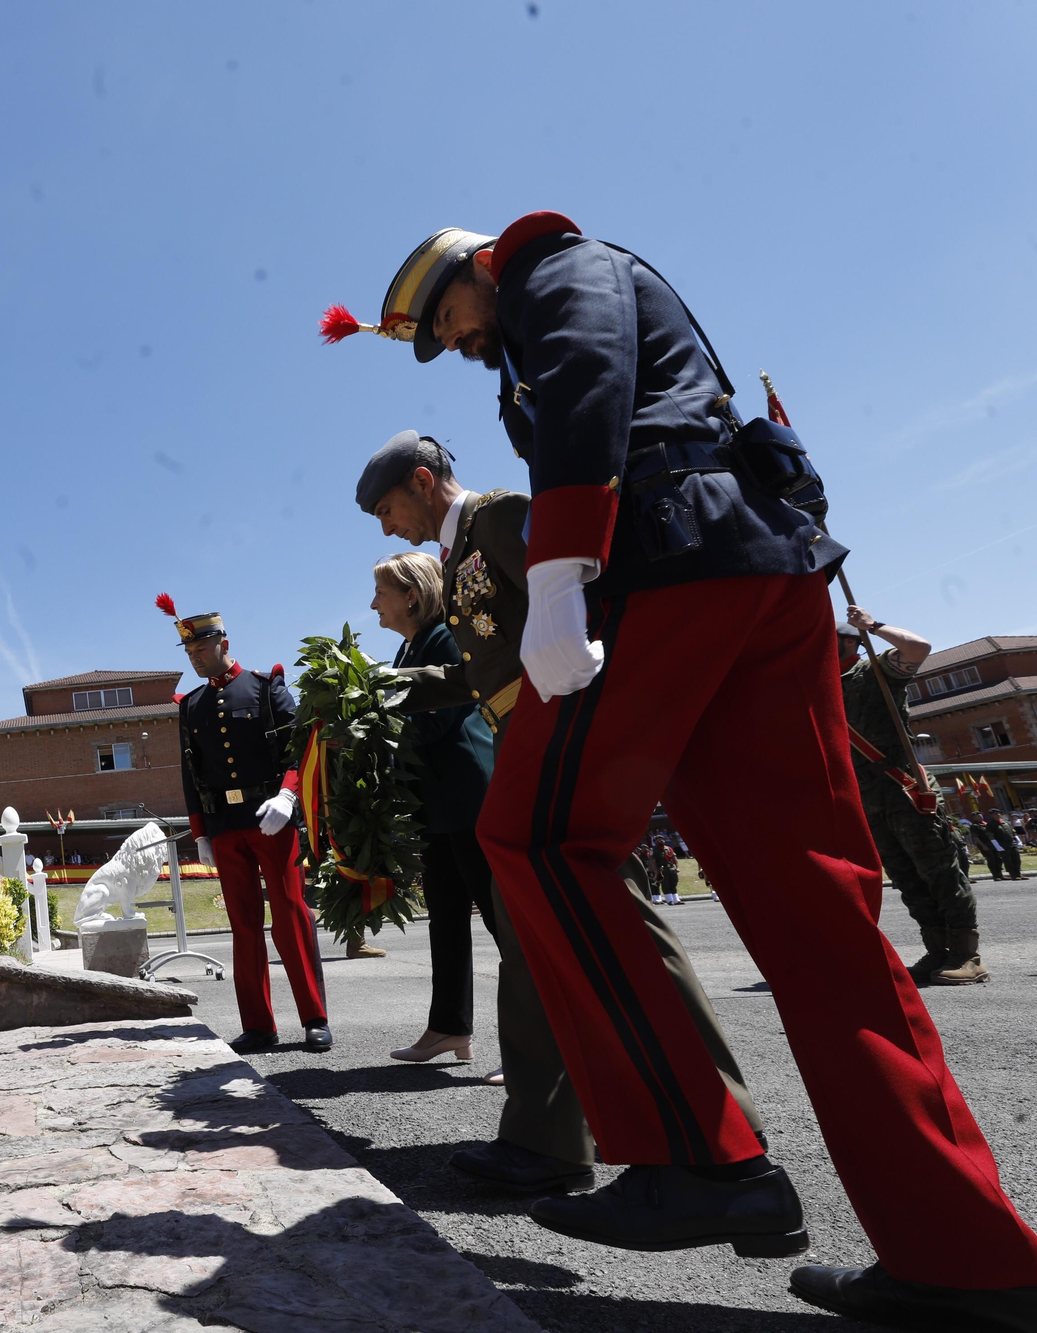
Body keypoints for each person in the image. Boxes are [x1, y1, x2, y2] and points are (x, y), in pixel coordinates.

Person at [367, 211, 1037, 1326]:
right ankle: (966, 1254)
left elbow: (586, 377)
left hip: (670, 564)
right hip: (752, 566)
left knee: (534, 835)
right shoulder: (545, 304)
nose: (461, 341)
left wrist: (562, 567)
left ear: (474, 268)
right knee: (812, 911)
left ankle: (701, 1159)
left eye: (448, 317)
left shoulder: (552, 266)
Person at [358, 429, 760, 1196]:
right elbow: (488, 669)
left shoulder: (502, 517)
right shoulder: (457, 552)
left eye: (386, 506)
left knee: (598, 920)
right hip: (525, 745)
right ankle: (545, 1135)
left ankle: (713, 1144)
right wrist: (390, 687)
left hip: (563, 741)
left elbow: (583, 619)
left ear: (421, 479)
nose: (386, 525)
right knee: (528, 937)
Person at [161, 594, 331, 1053]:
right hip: (225, 825)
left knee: (291, 918)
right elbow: (190, 772)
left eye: (202, 649)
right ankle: (258, 1024)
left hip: (270, 819)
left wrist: (289, 794)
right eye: (189, 653)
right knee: (244, 925)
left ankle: (314, 1017)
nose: (195, 658)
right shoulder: (190, 705)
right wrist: (200, 831)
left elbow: (299, 748)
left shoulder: (264, 687)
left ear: (223, 643)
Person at [370, 551, 501, 1070]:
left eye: (381, 592)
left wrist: (366, 734)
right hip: (441, 805)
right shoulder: (410, 648)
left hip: (469, 798)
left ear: (412, 596)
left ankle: (535, 1041)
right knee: (446, 921)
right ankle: (449, 1028)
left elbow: (433, 724)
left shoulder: (444, 639)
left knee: (502, 922)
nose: (372, 603)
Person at [837, 610, 986, 984]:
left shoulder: (873, 671)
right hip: (868, 795)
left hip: (902, 786)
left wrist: (872, 626)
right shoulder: (819, 687)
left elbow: (918, 647)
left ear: (848, 644)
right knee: (907, 878)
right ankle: (937, 952)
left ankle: (968, 956)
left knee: (940, 872)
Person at [982, 809, 1025, 881]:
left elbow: (1013, 832)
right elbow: (990, 836)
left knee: (1017, 859)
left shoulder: (1005, 822)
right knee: (1008, 860)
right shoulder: (991, 824)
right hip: (1002, 844)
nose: (998, 815)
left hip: (1012, 843)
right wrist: (997, 846)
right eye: (995, 814)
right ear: (991, 815)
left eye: (998, 813)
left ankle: (1018, 873)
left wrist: (1018, 841)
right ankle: (1013, 875)